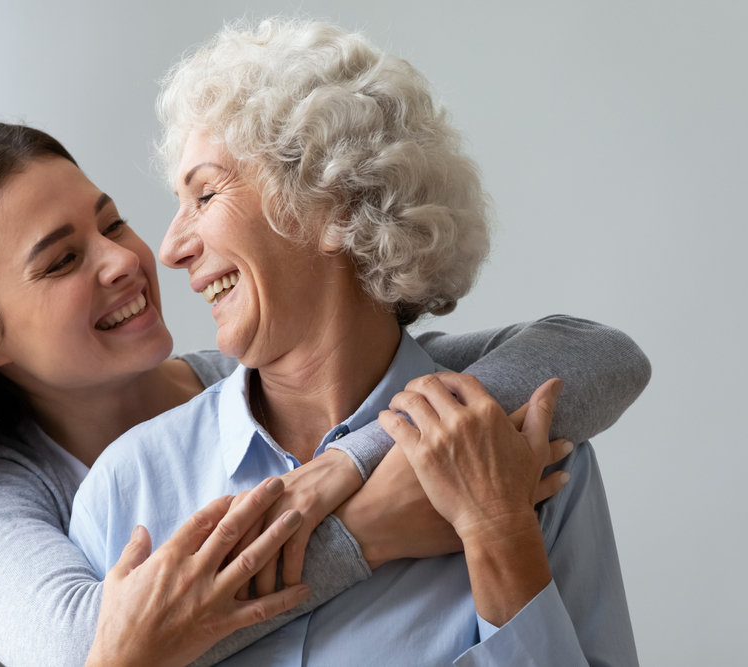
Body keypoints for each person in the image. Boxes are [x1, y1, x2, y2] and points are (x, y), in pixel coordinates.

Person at [0, 120, 648, 667]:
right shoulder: (19, 492)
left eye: (113, 222)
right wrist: (366, 529)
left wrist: (353, 464)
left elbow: (588, 354)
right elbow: (90, 652)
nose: (136, 258)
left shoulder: (314, 391)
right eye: (61, 261)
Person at [70, 19, 644, 666]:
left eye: (204, 194)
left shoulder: (526, 451)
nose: (171, 248)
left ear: (334, 207)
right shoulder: (128, 488)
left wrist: (498, 535)